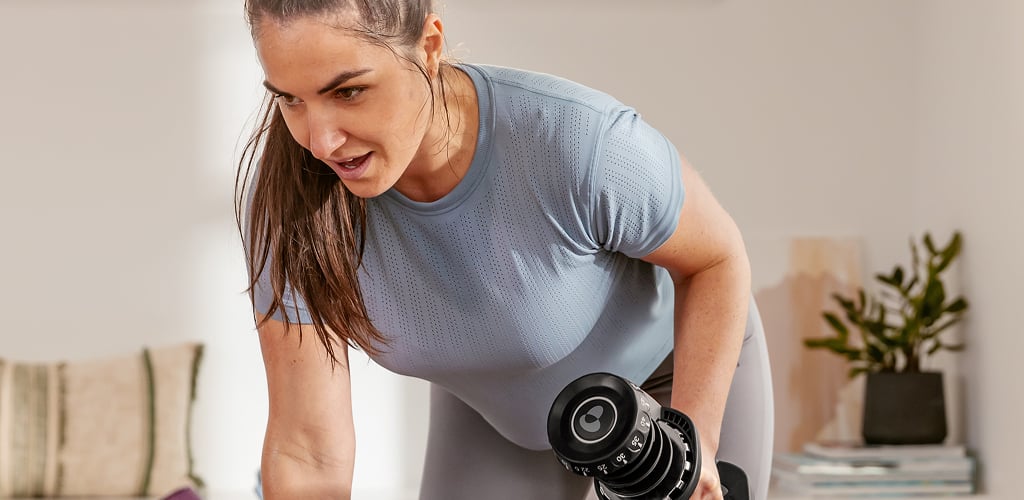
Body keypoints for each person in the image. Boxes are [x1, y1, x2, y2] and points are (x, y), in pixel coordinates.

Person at [235, 1, 774, 499]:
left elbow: (715, 259)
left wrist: (694, 439)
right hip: (495, 419)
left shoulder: (577, 141)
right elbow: (307, 448)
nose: (321, 142)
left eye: (348, 92)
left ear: (428, 47)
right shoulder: (288, 199)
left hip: (669, 384)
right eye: (290, 99)